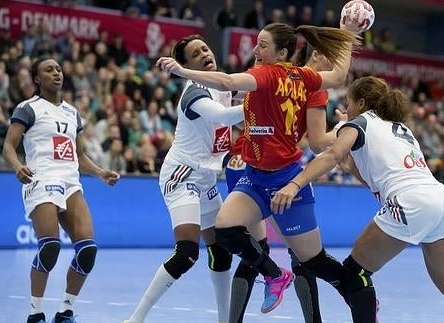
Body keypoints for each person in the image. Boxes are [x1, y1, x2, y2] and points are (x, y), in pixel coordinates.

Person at [270, 76, 444, 323]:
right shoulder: (398, 128)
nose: (346, 108)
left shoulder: (357, 123)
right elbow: (377, 179)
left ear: (361, 103)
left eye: (349, 102)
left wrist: (294, 184)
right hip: (439, 198)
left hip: (411, 200)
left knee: (355, 273)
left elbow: (329, 153)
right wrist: (351, 165)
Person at [157, 22, 360, 314]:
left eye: (262, 45)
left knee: (312, 260)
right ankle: (275, 276)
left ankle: (358, 292)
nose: (255, 50)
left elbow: (227, 84)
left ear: (282, 52)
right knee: (226, 231)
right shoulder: (303, 76)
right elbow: (340, 74)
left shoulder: (269, 75)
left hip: (286, 178)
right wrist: (348, 37)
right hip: (253, 177)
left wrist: (183, 71)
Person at [124, 35, 244, 323]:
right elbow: (227, 117)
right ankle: (135, 319)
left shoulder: (224, 85)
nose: (204, 53)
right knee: (188, 252)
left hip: (206, 179)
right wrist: (268, 107)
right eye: (195, 53)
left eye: (205, 47)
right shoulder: (195, 92)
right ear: (187, 66)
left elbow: (248, 98)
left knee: (221, 252)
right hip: (182, 175)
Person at [226, 44, 346, 323]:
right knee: (303, 256)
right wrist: (344, 130)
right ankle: (350, 294)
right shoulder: (312, 86)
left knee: (254, 250)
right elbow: (318, 143)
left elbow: (244, 113)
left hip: (239, 164)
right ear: (316, 55)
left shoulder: (275, 74)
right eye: (333, 59)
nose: (336, 68)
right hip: (273, 172)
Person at [2, 58, 120, 323]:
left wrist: (100, 172)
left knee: (88, 250)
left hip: (70, 182)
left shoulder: (72, 112)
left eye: (58, 69)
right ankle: (35, 313)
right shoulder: (28, 108)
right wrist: (18, 166)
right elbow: (8, 146)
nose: (56, 73)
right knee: (50, 246)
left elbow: (79, 155)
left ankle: (66, 309)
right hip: (40, 179)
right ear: (36, 79)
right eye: (48, 70)